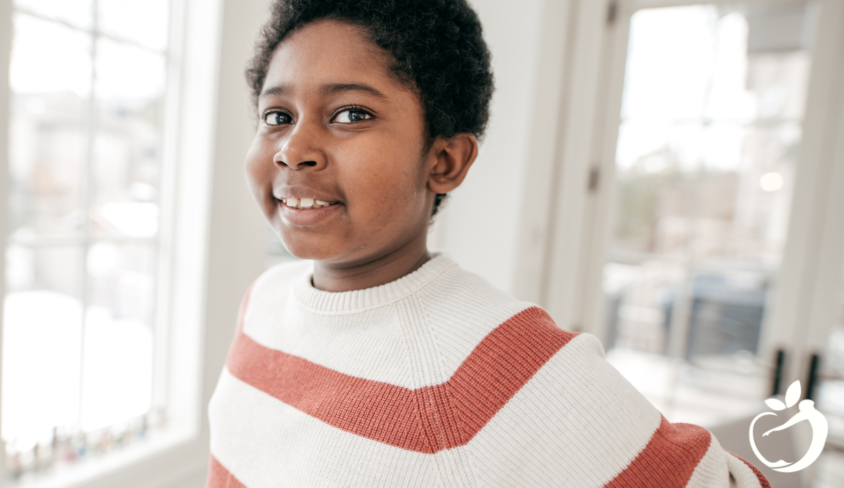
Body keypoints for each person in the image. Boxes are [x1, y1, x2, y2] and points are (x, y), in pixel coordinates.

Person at [206, 0, 772, 486]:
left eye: (351, 114)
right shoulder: (264, 299)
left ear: (444, 160)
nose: (293, 148)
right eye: (277, 115)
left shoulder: (494, 364)